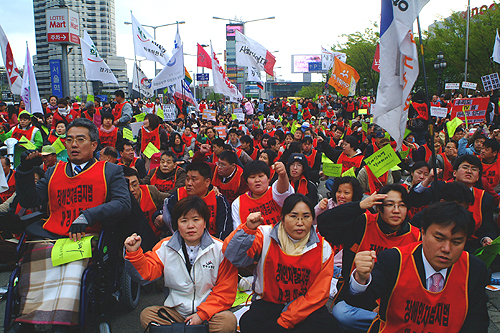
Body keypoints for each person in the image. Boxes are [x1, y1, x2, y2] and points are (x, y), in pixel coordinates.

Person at [8, 118, 130, 332]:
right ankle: (28, 317)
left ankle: (61, 320)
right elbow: (29, 200)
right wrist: (25, 171)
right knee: (31, 258)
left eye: (80, 139)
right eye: (69, 140)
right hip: (53, 235)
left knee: (73, 263)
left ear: (93, 145)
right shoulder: (54, 171)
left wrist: (88, 216)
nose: (73, 144)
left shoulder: (110, 171)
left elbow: (122, 203)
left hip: (87, 236)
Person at [346, 201, 489, 332]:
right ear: (423, 233)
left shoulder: (474, 269)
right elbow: (360, 301)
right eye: (439, 239)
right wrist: (360, 279)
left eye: (456, 242)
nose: (446, 248)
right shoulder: (395, 260)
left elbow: (477, 323)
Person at [223, 194, 338, 332]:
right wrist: (247, 229)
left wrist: (286, 320)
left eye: (306, 216)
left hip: (305, 307)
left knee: (329, 325)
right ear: (282, 218)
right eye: (293, 216)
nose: (300, 222)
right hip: (268, 304)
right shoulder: (264, 234)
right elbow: (233, 255)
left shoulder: (323, 248)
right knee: (249, 322)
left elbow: (318, 294)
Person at [124, 196, 238, 332]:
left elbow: (225, 290)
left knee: (227, 321)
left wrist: (201, 315)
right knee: (147, 315)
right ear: (176, 224)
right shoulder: (165, 247)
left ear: (205, 222)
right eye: (184, 220)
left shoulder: (219, 249)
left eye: (196, 220)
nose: (190, 226)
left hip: (209, 314)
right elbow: (147, 273)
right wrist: (134, 253)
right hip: (176, 313)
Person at [317, 184, 421, 332]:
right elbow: (325, 223)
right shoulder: (364, 223)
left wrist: (386, 307)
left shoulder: (416, 236)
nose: (396, 210)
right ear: (378, 207)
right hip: (357, 299)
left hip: (395, 304)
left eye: (402, 205)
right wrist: (359, 206)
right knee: (341, 312)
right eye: (390, 205)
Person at [408, 154, 496, 252]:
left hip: (470, 247)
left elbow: (487, 228)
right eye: (465, 167)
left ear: (478, 177)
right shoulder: (440, 187)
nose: (469, 171)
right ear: (454, 172)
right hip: (438, 244)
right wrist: (428, 179)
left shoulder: (485, 198)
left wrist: (485, 239)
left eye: (474, 169)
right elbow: (415, 201)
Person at [161, 162, 232, 240]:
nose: (189, 183)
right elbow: (163, 214)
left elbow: (225, 231)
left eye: (194, 180)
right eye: (187, 179)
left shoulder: (218, 199)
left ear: (207, 182)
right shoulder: (177, 196)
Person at [123, 166, 168, 237]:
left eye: (134, 185)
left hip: (155, 237)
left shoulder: (150, 191)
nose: (131, 189)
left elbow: (170, 199)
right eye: (127, 186)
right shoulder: (118, 200)